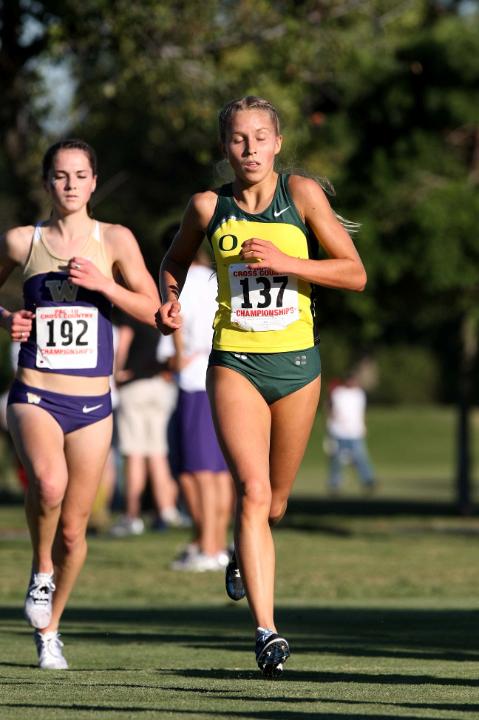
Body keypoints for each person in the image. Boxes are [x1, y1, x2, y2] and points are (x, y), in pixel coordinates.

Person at [157, 95, 367, 678]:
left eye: (259, 138)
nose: (248, 149)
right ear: (225, 147)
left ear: (277, 142)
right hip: (235, 363)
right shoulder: (208, 206)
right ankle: (268, 631)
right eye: (237, 139)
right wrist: (167, 302)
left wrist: (286, 261)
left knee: (273, 502)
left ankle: (243, 556)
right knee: (251, 493)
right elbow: (172, 263)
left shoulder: (300, 195)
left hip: (298, 367)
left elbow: (355, 273)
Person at [0, 139, 160, 670]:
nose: (70, 185)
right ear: (47, 183)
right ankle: (41, 572)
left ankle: (51, 630)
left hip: (93, 404)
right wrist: (7, 320)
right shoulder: (24, 241)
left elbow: (153, 310)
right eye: (60, 176)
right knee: (47, 483)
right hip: (36, 393)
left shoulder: (113, 239)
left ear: (94, 183)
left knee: (75, 527)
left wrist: (104, 287)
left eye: (80, 175)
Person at [164, 245, 233, 572]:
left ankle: (208, 547)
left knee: (201, 472)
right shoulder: (219, 277)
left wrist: (176, 357)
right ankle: (217, 544)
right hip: (228, 377)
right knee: (220, 473)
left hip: (195, 381)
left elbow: (175, 335)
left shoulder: (183, 285)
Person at [110, 311, 181, 536]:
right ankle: (166, 510)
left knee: (134, 453)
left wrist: (116, 373)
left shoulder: (129, 312)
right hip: (162, 384)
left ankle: (132, 515)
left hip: (135, 384)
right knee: (158, 453)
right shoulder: (165, 310)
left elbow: (123, 344)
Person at [325, 372, 376, 493]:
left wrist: (364, 425)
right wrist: (332, 419)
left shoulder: (359, 394)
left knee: (360, 457)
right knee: (336, 459)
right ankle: (334, 483)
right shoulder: (338, 393)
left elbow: (361, 411)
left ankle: (368, 480)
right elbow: (329, 406)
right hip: (339, 431)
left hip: (355, 432)